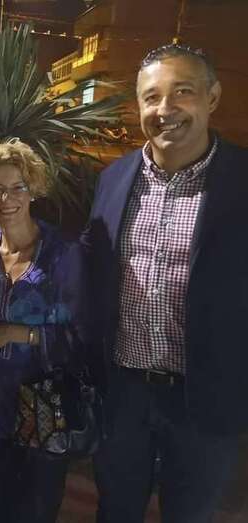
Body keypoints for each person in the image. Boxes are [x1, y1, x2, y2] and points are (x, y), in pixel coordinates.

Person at [83, 44, 248, 523]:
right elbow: (93, 271)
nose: (165, 109)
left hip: (206, 397)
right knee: (115, 510)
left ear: (212, 97)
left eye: (182, 92)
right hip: (123, 393)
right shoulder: (113, 179)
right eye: (151, 97)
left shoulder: (242, 181)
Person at [0, 141, 86, 522]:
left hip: (44, 409)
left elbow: (82, 334)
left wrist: (23, 334)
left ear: (33, 189)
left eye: (17, 187)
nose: (7, 199)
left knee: (35, 509)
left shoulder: (63, 254)